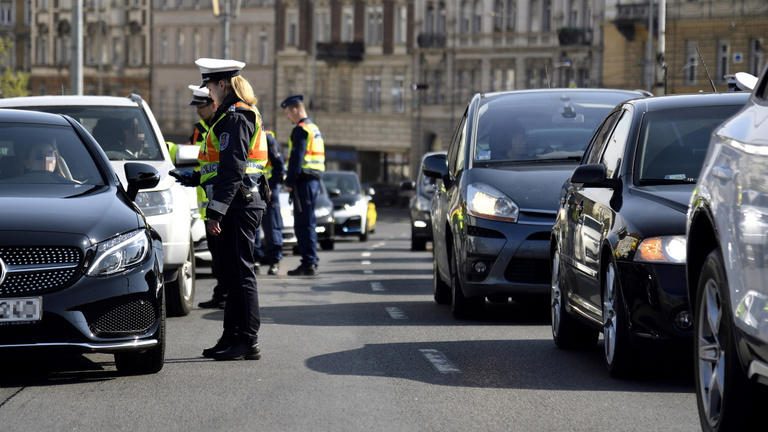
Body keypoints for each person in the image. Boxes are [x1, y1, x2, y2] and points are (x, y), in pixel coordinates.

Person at [178, 57, 268, 361]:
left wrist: (215, 212)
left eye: (209, 85)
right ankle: (231, 336)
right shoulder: (228, 115)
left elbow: (233, 169)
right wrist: (195, 177)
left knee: (242, 273)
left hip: (240, 204)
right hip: (238, 201)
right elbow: (219, 167)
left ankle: (248, 340)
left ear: (221, 84)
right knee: (231, 275)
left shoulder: (237, 116)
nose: (208, 92)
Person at [281, 94, 325, 276]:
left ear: (295, 109)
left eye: (288, 113)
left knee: (303, 224)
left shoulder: (301, 130)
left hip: (303, 182)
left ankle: (308, 262)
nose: (287, 117)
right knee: (309, 222)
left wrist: (289, 182)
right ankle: (310, 260)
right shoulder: (313, 128)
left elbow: (296, 159)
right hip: (313, 181)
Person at [260, 128, 285, 275]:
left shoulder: (267, 138)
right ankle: (255, 259)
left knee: (271, 224)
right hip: (251, 186)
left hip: (268, 187)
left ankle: (275, 260)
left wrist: (272, 185)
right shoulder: (243, 134)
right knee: (254, 227)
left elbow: (279, 165)